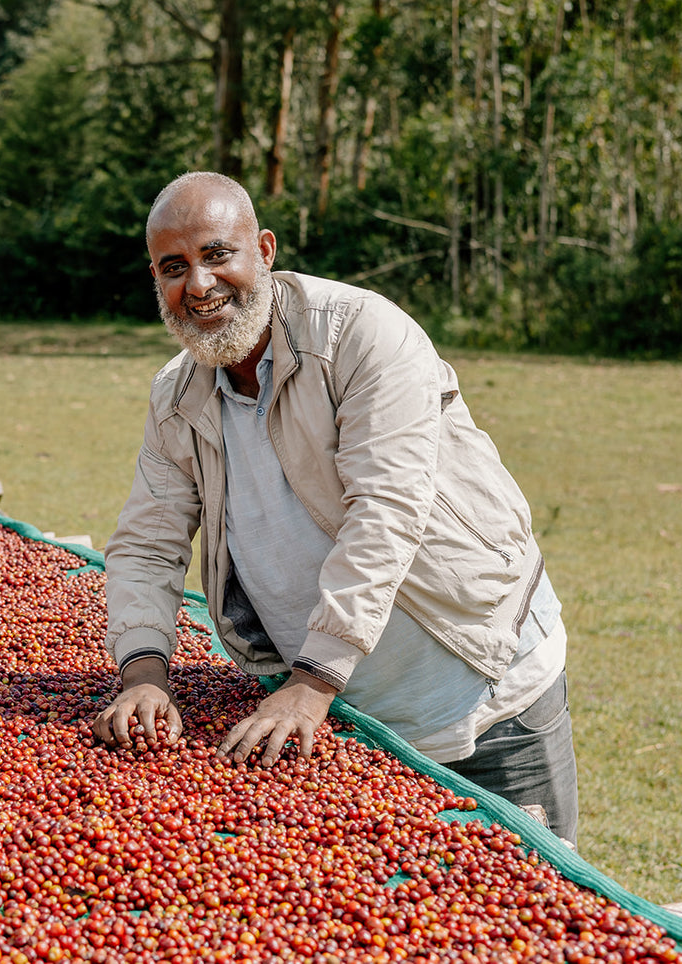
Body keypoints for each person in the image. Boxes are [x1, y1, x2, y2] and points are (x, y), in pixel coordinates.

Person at [92, 171, 579, 844]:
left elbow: (386, 508)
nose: (198, 287)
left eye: (216, 255)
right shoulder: (177, 395)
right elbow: (147, 541)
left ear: (263, 250)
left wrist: (313, 679)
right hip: (339, 716)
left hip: (480, 692)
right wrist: (142, 673)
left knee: (530, 918)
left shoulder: (358, 336)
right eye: (174, 268)